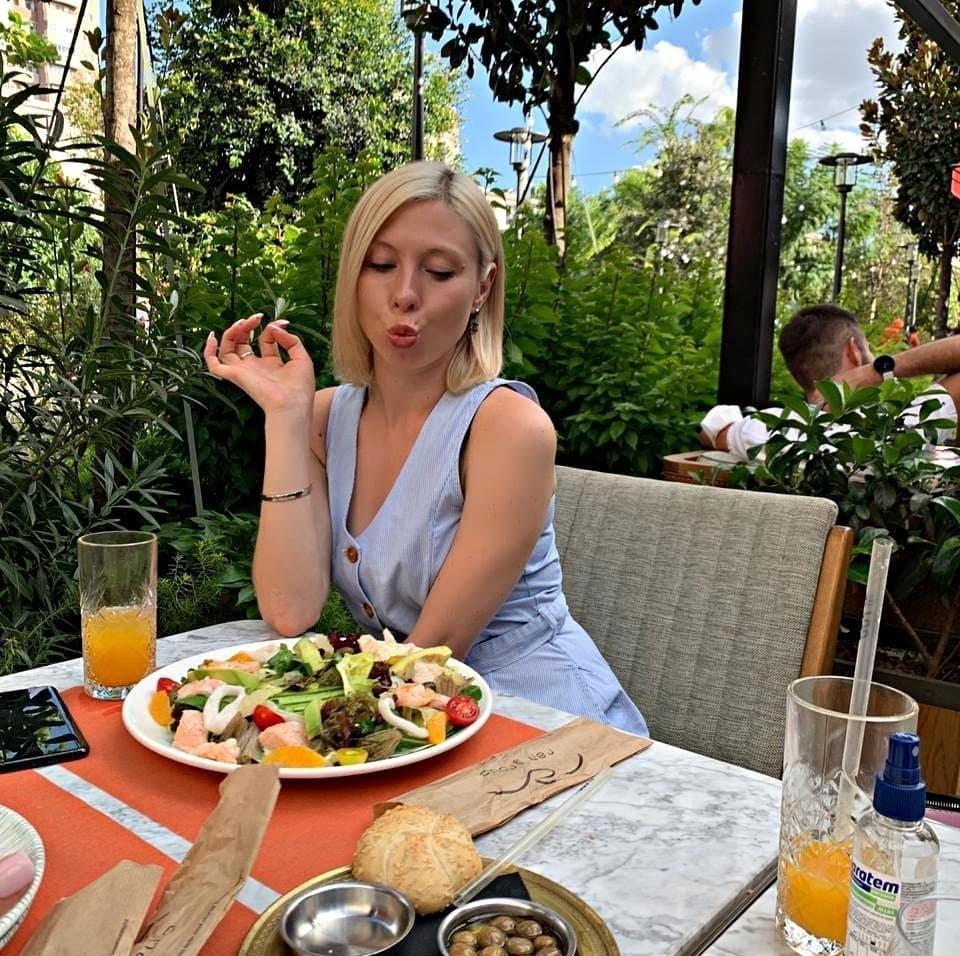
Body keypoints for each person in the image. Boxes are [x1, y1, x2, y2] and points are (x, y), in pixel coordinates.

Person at [204, 161, 648, 736]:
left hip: (543, 722)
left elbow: (436, 652)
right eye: (381, 265)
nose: (405, 294)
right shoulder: (323, 418)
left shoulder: (509, 428)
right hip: (413, 712)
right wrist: (286, 418)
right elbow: (290, 610)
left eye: (439, 272)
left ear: (482, 289)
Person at [700, 303, 960, 459]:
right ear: (854, 351)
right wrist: (877, 371)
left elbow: (712, 430)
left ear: (797, 378)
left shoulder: (769, 433)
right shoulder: (907, 428)